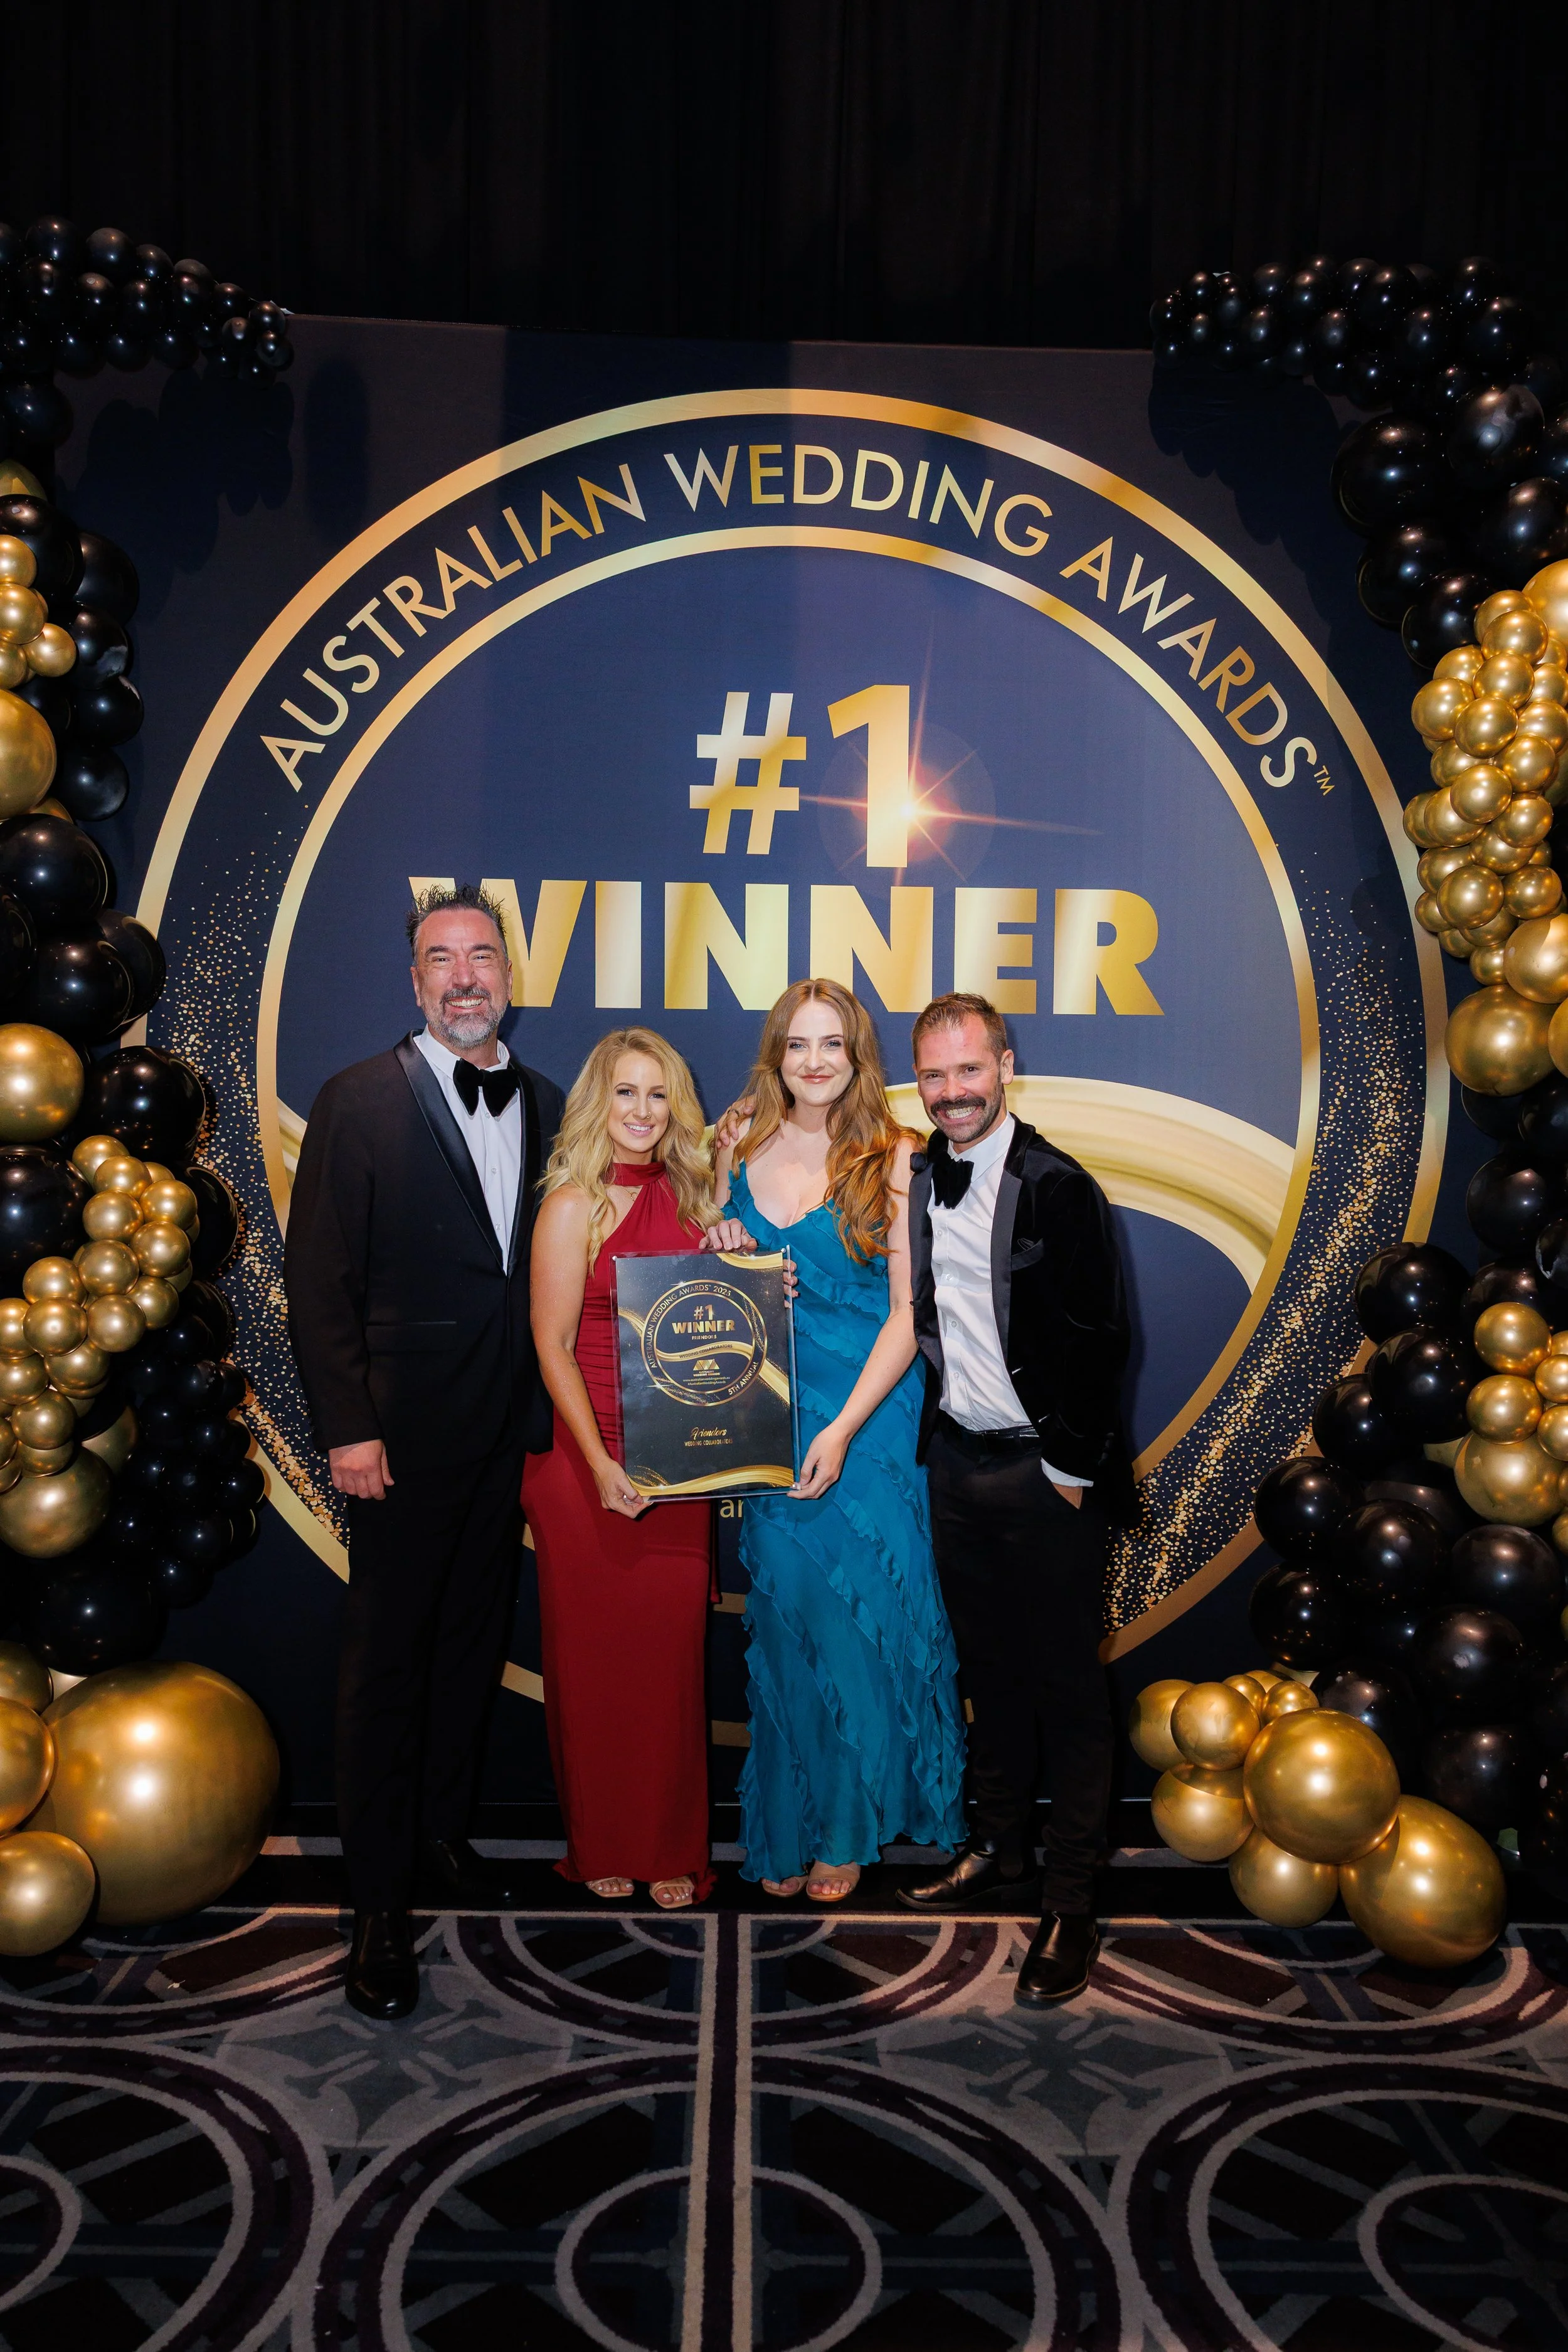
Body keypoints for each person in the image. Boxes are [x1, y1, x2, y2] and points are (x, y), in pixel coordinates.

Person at [285, 883, 565, 2022]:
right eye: (442, 958)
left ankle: (443, 1838)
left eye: (481, 956)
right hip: (395, 1444)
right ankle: (376, 1906)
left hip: (507, 1435)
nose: (464, 976)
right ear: (414, 981)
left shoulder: (547, 1101)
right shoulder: (356, 1098)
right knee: (386, 1668)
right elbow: (319, 1282)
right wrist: (348, 1426)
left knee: (468, 1649)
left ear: (509, 976)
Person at [896, 992, 1133, 2008]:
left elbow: (1104, 1340)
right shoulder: (919, 1175)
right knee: (987, 1671)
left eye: (969, 1069)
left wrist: (1069, 1472)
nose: (952, 1091)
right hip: (957, 1464)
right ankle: (1000, 1848)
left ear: (1004, 1065)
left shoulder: (1058, 1186)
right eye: (934, 1074)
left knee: (1067, 1688)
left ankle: (1071, 1901)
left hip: (1046, 1475)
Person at [716, 978, 967, 1902]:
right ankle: (791, 1825)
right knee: (789, 1619)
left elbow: (908, 1314)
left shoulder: (894, 1157)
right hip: (770, 1415)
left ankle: (849, 1833)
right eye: (798, 1044)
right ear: (776, 1055)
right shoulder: (737, 1143)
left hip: (867, 1414)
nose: (815, 1061)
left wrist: (845, 1427)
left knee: (859, 1624)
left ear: (858, 1057)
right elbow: (711, 1289)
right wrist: (724, 1244)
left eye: (833, 1044)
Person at [526, 1027, 758, 1908]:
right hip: (581, 1464)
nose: (643, 1110)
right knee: (592, 1670)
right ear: (600, 1100)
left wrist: (746, 1266)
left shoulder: (696, 1203)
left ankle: (671, 1848)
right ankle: (601, 1845)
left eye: (659, 1094)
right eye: (626, 1091)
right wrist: (598, 1465)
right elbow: (551, 1345)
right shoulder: (571, 1205)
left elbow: (722, 1324)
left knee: (667, 1672)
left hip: (675, 1466)